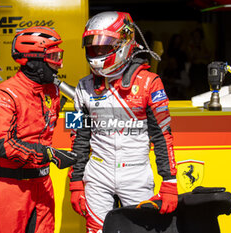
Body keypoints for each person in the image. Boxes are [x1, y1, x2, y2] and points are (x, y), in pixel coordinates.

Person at [68, 11, 178, 233]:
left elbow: (163, 135)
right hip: (97, 174)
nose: (97, 52)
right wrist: (76, 180)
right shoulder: (82, 86)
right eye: (93, 47)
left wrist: (169, 181)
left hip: (136, 174)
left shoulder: (150, 83)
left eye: (104, 46)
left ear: (124, 42)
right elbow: (77, 136)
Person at [0, 26, 78, 233]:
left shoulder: (53, 91)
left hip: (43, 184)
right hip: (12, 188)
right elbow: (4, 146)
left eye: (58, 55)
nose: (58, 63)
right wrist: (49, 154)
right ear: (33, 60)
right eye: (53, 56)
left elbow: (70, 117)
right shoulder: (5, 94)